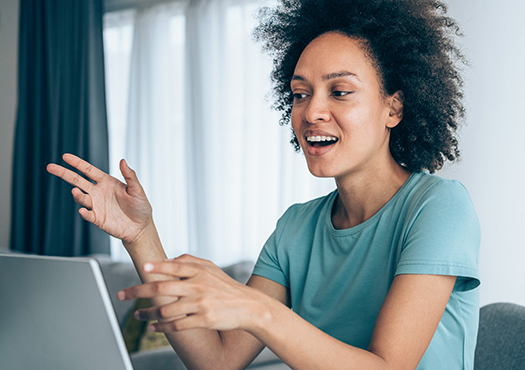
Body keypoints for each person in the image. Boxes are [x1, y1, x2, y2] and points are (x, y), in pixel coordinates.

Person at [47, 0, 480, 369]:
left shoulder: (438, 207)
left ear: (394, 108)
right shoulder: (297, 227)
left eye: (340, 92)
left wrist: (257, 309)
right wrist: (141, 235)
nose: (311, 112)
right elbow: (218, 360)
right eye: (299, 93)